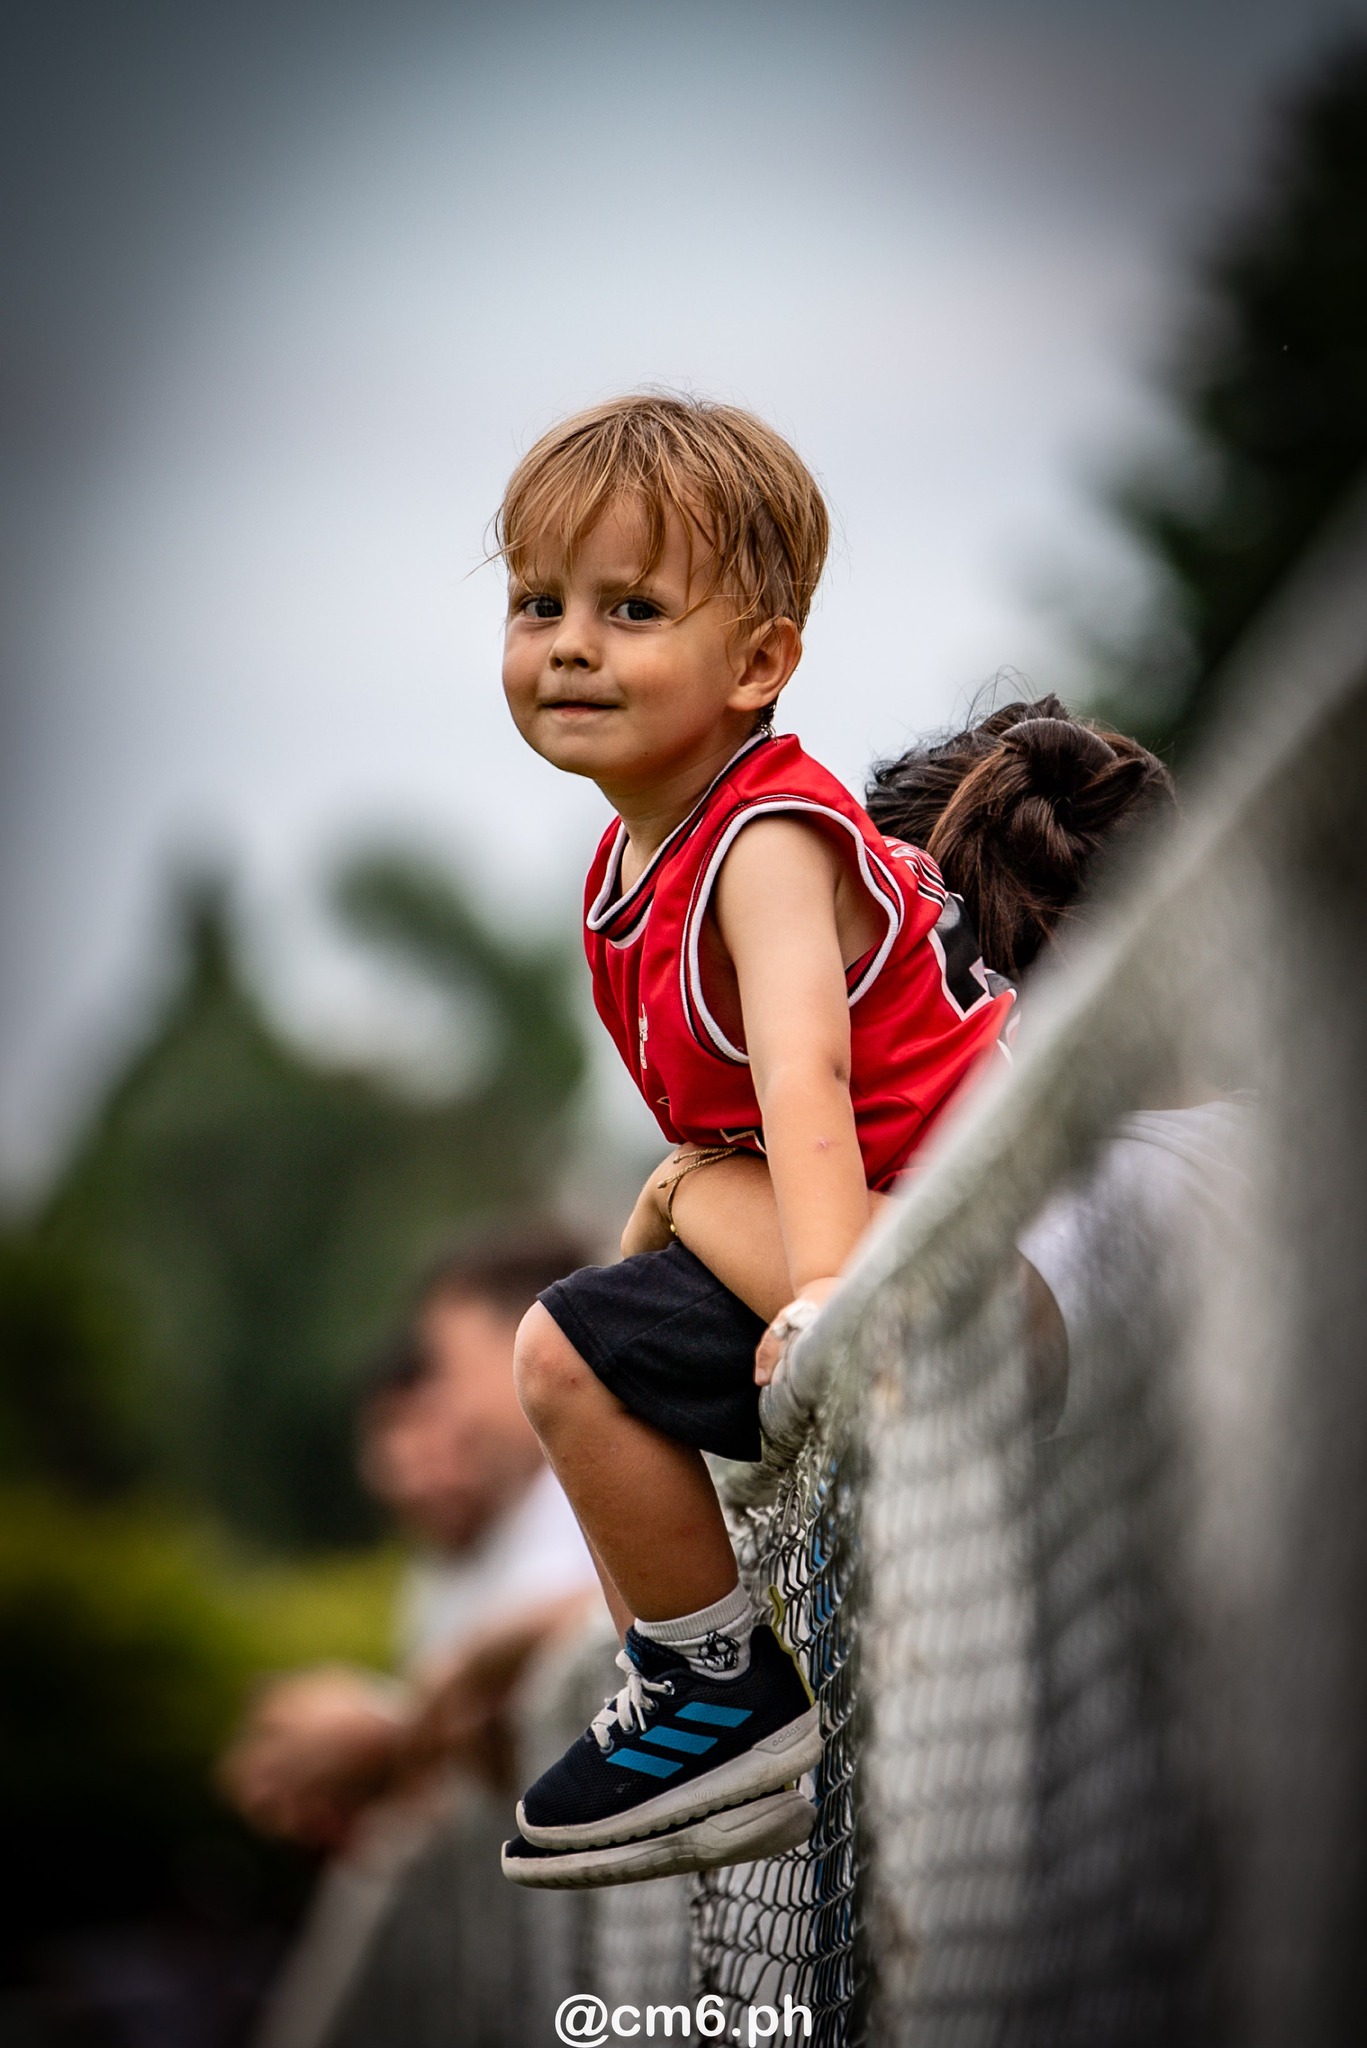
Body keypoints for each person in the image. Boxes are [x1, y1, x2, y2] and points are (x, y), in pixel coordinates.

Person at [492, 394, 1034, 1885]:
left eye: (631, 606)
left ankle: (713, 1689)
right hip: (887, 1230)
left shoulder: (763, 839)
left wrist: (817, 1299)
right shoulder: (630, 856)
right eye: (540, 603)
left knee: (561, 1348)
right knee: (601, 1325)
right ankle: (686, 1674)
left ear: (758, 663)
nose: (571, 643)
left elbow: (802, 1073)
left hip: (963, 1243)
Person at [219, 1228, 604, 2046]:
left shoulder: (596, 1463)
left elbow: (598, 1620)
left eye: (451, 1365)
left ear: (528, 1338)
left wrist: (407, 1716)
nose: (447, 1408)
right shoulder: (518, 1516)